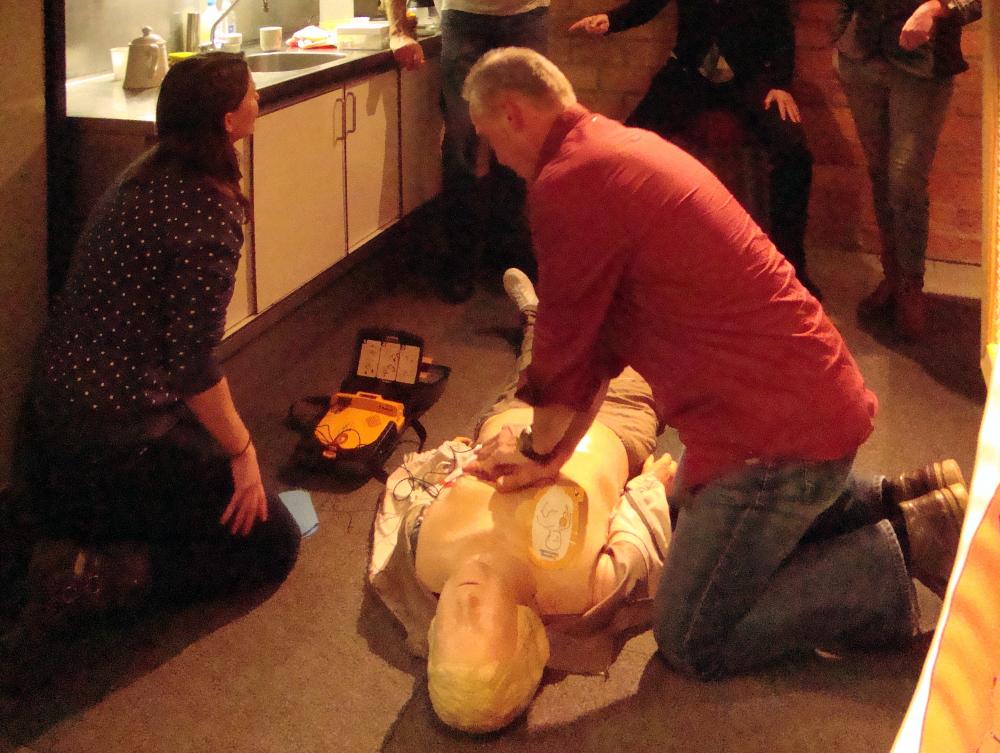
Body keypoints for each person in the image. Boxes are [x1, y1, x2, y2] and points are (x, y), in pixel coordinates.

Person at [461, 48, 968, 680]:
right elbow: (593, 352)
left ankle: (893, 556)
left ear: (513, 113)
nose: (492, 156)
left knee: (691, 635)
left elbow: (561, 348)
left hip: (774, 440)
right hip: (806, 400)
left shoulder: (568, 184)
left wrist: (534, 450)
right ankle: (903, 500)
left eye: (487, 136)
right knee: (682, 513)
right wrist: (551, 457)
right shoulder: (612, 149)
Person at [1, 52, 300, 687]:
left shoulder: (144, 175)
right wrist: (243, 451)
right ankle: (98, 576)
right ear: (228, 121)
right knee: (276, 535)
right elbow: (191, 363)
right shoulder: (208, 211)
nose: (259, 100)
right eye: (251, 93)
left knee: (224, 481)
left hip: (53, 429)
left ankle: (80, 537)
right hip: (116, 445)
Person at [369, 269, 675, 732]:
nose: (463, 606)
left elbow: (410, 494)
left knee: (540, 363)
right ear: (522, 637)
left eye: (447, 634)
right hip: (614, 420)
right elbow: (639, 539)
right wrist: (653, 488)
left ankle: (536, 318)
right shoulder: (578, 588)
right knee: (639, 336)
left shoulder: (426, 559)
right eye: (479, 627)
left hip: (512, 420)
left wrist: (451, 459)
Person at [569, 0, 820, 298]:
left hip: (749, 77)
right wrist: (611, 20)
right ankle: (613, 254)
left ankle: (790, 266)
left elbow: (782, 27)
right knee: (630, 148)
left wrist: (780, 82)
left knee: (794, 152)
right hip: (689, 72)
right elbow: (649, 3)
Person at [833, 0, 982, 339]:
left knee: (905, 182)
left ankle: (911, 284)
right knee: (880, 174)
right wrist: (840, 34)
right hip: (859, 56)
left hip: (922, 64)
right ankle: (893, 275)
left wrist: (935, 7)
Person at [385, 0, 548, 303]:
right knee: (462, 140)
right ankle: (461, 257)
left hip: (527, 15)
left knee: (522, 135)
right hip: (464, 18)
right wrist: (398, 31)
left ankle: (509, 252)